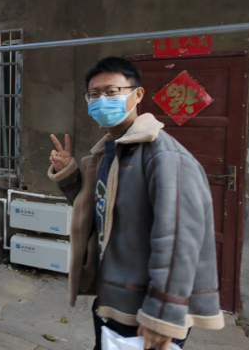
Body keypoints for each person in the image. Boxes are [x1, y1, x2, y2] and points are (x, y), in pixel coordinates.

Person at [47, 57, 224, 350]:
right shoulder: (112, 152)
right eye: (94, 94)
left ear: (137, 94)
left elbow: (179, 241)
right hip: (116, 298)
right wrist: (69, 173)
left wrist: (162, 315)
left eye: (112, 92)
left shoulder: (163, 155)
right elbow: (101, 209)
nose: (102, 100)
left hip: (146, 309)